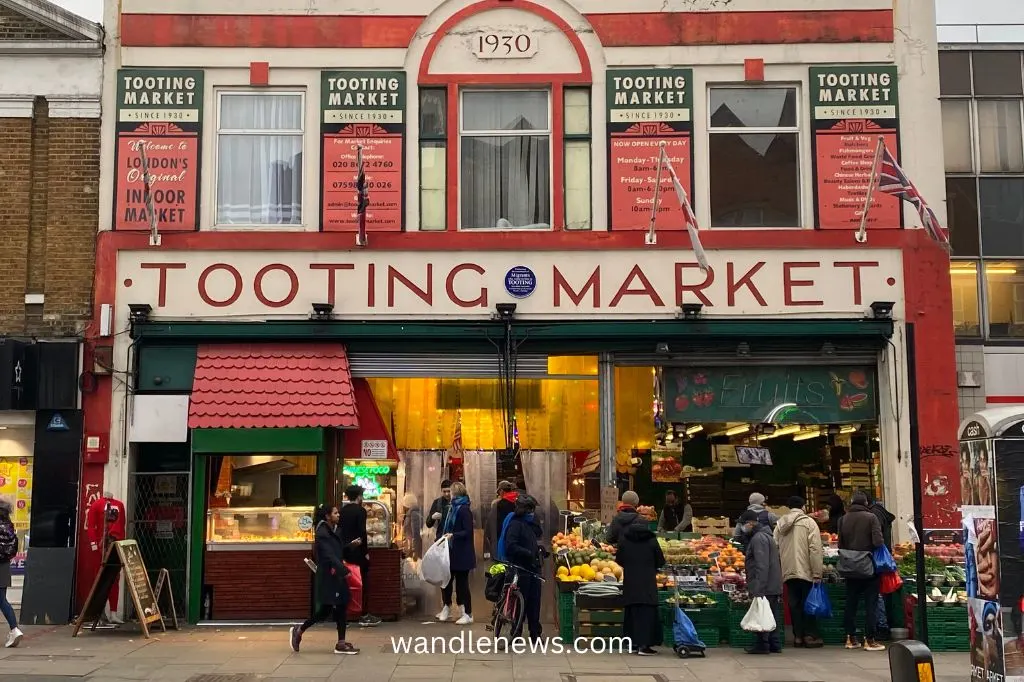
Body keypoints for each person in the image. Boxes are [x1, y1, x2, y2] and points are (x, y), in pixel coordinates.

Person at [290, 504, 359, 655]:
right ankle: (299, 630)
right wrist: (343, 570)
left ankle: (341, 642)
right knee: (326, 609)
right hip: (330, 575)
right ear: (328, 516)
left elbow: (337, 552)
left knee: (340, 605)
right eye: (335, 513)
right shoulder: (322, 532)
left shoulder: (332, 530)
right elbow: (329, 555)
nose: (338, 515)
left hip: (336, 574)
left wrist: (350, 546)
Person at [838, 491, 885, 651]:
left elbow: (840, 544)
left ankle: (850, 638)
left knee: (851, 602)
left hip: (850, 566)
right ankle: (869, 639)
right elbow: (878, 542)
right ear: (866, 503)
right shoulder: (871, 517)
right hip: (868, 565)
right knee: (871, 603)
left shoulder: (843, 519)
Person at [774, 496, 824, 648]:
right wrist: (817, 572)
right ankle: (810, 635)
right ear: (803, 506)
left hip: (788, 570)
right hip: (806, 569)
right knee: (808, 603)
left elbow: (774, 545)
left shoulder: (780, 524)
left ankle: (797, 636)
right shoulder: (809, 522)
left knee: (794, 603)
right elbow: (815, 549)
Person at [616, 515, 666, 655]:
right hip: (647, 583)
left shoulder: (625, 540)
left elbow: (619, 559)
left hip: (631, 583)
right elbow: (660, 561)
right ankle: (644, 646)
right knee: (646, 614)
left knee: (631, 613)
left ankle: (631, 644)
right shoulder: (651, 541)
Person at [500, 493, 546, 641]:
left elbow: (534, 539)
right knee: (522, 601)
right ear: (526, 510)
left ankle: (535, 632)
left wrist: (540, 551)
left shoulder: (530, 523)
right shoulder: (515, 524)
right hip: (521, 568)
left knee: (535, 601)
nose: (533, 513)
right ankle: (516, 632)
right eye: (531, 510)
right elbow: (511, 546)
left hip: (533, 567)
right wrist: (527, 553)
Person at [739, 509, 783, 654]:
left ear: (751, 523)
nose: (742, 528)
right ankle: (774, 643)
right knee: (771, 613)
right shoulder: (766, 535)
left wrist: (759, 587)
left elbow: (761, 565)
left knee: (762, 614)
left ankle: (762, 644)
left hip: (765, 584)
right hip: (772, 583)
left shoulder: (758, 538)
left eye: (744, 524)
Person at [339, 486, 381, 627]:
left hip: (345, 551)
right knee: (362, 582)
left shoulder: (342, 511)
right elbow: (362, 533)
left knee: (346, 583)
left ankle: (345, 615)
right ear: (359, 496)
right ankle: (363, 614)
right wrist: (365, 552)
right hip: (357, 552)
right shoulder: (360, 511)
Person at [438, 482, 476, 625]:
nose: (449, 495)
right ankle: (448, 606)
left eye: (451, 492)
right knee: (446, 581)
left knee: (462, 584)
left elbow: (468, 531)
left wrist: (453, 535)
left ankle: (467, 612)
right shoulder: (452, 509)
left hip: (462, 553)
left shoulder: (464, 510)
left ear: (455, 493)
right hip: (451, 552)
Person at [0, 501, 23, 648]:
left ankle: (14, 629)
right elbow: (14, 547)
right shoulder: (9, 527)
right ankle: (14, 629)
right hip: (5, 565)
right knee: (2, 599)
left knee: (2, 601)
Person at [425, 479, 452, 544]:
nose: (447, 494)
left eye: (449, 491)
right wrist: (432, 517)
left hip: (454, 538)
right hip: (441, 538)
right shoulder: (437, 502)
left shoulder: (456, 501)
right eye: (444, 491)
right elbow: (428, 524)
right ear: (441, 491)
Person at [401, 493, 423, 560]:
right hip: (410, 546)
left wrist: (414, 551)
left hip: (412, 549)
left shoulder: (414, 513)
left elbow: (416, 533)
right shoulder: (411, 513)